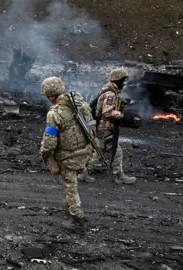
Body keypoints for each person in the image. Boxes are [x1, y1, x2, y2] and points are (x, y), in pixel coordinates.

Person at [40, 76, 95, 234]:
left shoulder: (55, 114)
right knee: (72, 183)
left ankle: (77, 219)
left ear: (52, 95)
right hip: (84, 152)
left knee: (70, 186)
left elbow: (49, 142)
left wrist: (45, 155)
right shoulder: (82, 105)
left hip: (67, 156)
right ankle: (69, 207)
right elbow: (92, 125)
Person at [95, 67, 136, 184]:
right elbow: (107, 112)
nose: (124, 83)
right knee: (116, 151)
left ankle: (84, 173)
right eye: (123, 80)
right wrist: (122, 115)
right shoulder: (110, 94)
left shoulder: (107, 89)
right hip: (105, 126)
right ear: (118, 80)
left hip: (101, 126)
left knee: (98, 149)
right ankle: (119, 176)